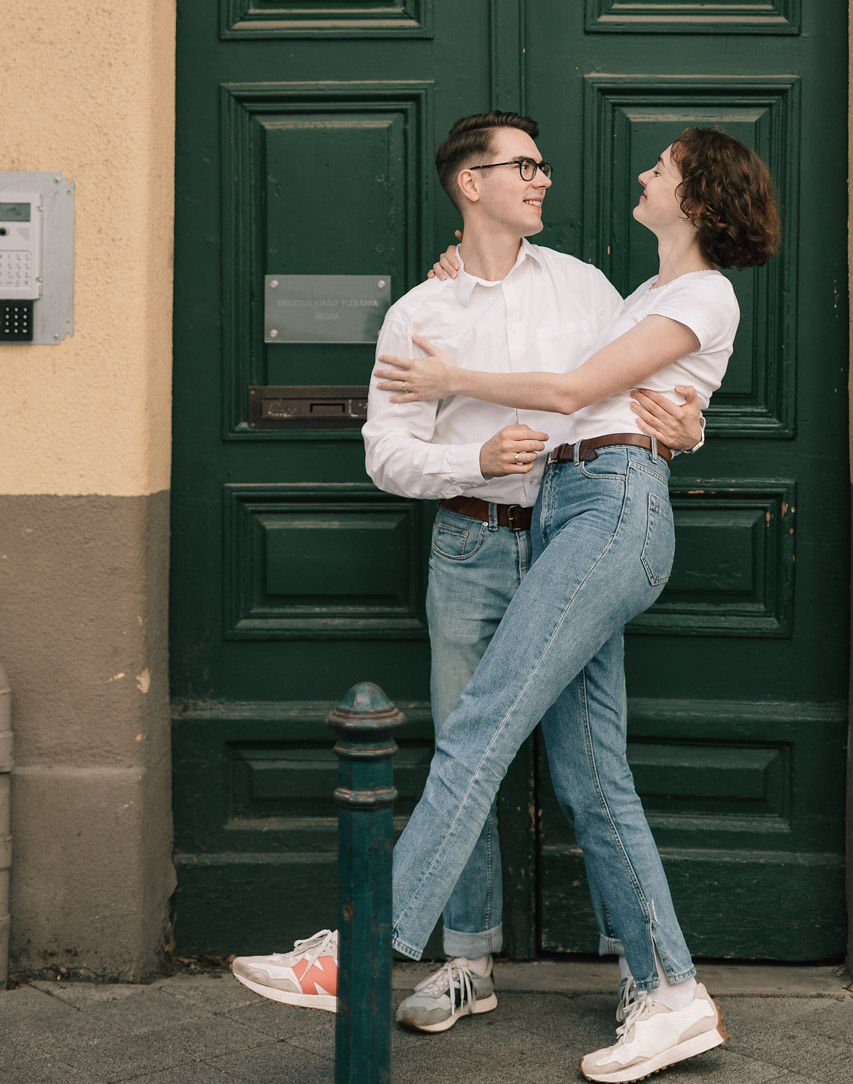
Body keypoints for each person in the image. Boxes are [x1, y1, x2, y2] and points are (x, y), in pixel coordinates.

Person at [229, 112, 703, 1031]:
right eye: (522, 165)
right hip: (473, 543)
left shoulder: (586, 287)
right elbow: (385, 454)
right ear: (469, 184)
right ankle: (466, 962)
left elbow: (644, 389)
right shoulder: (422, 312)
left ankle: (646, 974)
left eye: (541, 163)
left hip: (577, 536)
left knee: (572, 761)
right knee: (467, 745)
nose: (542, 180)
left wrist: (691, 430)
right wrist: (473, 464)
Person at [374, 125, 779, 1080]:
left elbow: (574, 390)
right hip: (559, 512)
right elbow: (640, 391)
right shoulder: (642, 292)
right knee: (592, 777)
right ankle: (670, 989)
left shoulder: (681, 290)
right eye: (523, 165)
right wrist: (690, 423)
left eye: (662, 169)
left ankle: (360, 943)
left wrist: (452, 376)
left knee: (480, 726)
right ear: (471, 185)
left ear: (699, 199)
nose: (639, 173)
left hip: (605, 511)